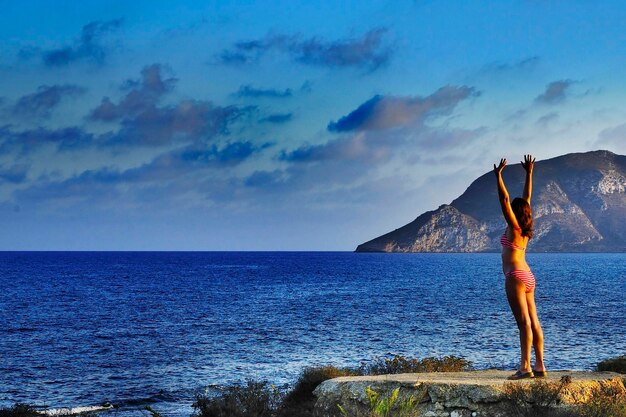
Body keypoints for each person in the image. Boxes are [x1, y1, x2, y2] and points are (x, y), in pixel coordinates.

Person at [493, 154, 546, 380]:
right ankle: (540, 365)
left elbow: (505, 201)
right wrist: (529, 173)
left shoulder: (514, 227)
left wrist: (498, 176)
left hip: (515, 276)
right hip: (528, 276)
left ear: (515, 213)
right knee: (533, 321)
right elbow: (527, 199)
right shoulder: (525, 227)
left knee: (523, 322)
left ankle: (525, 368)